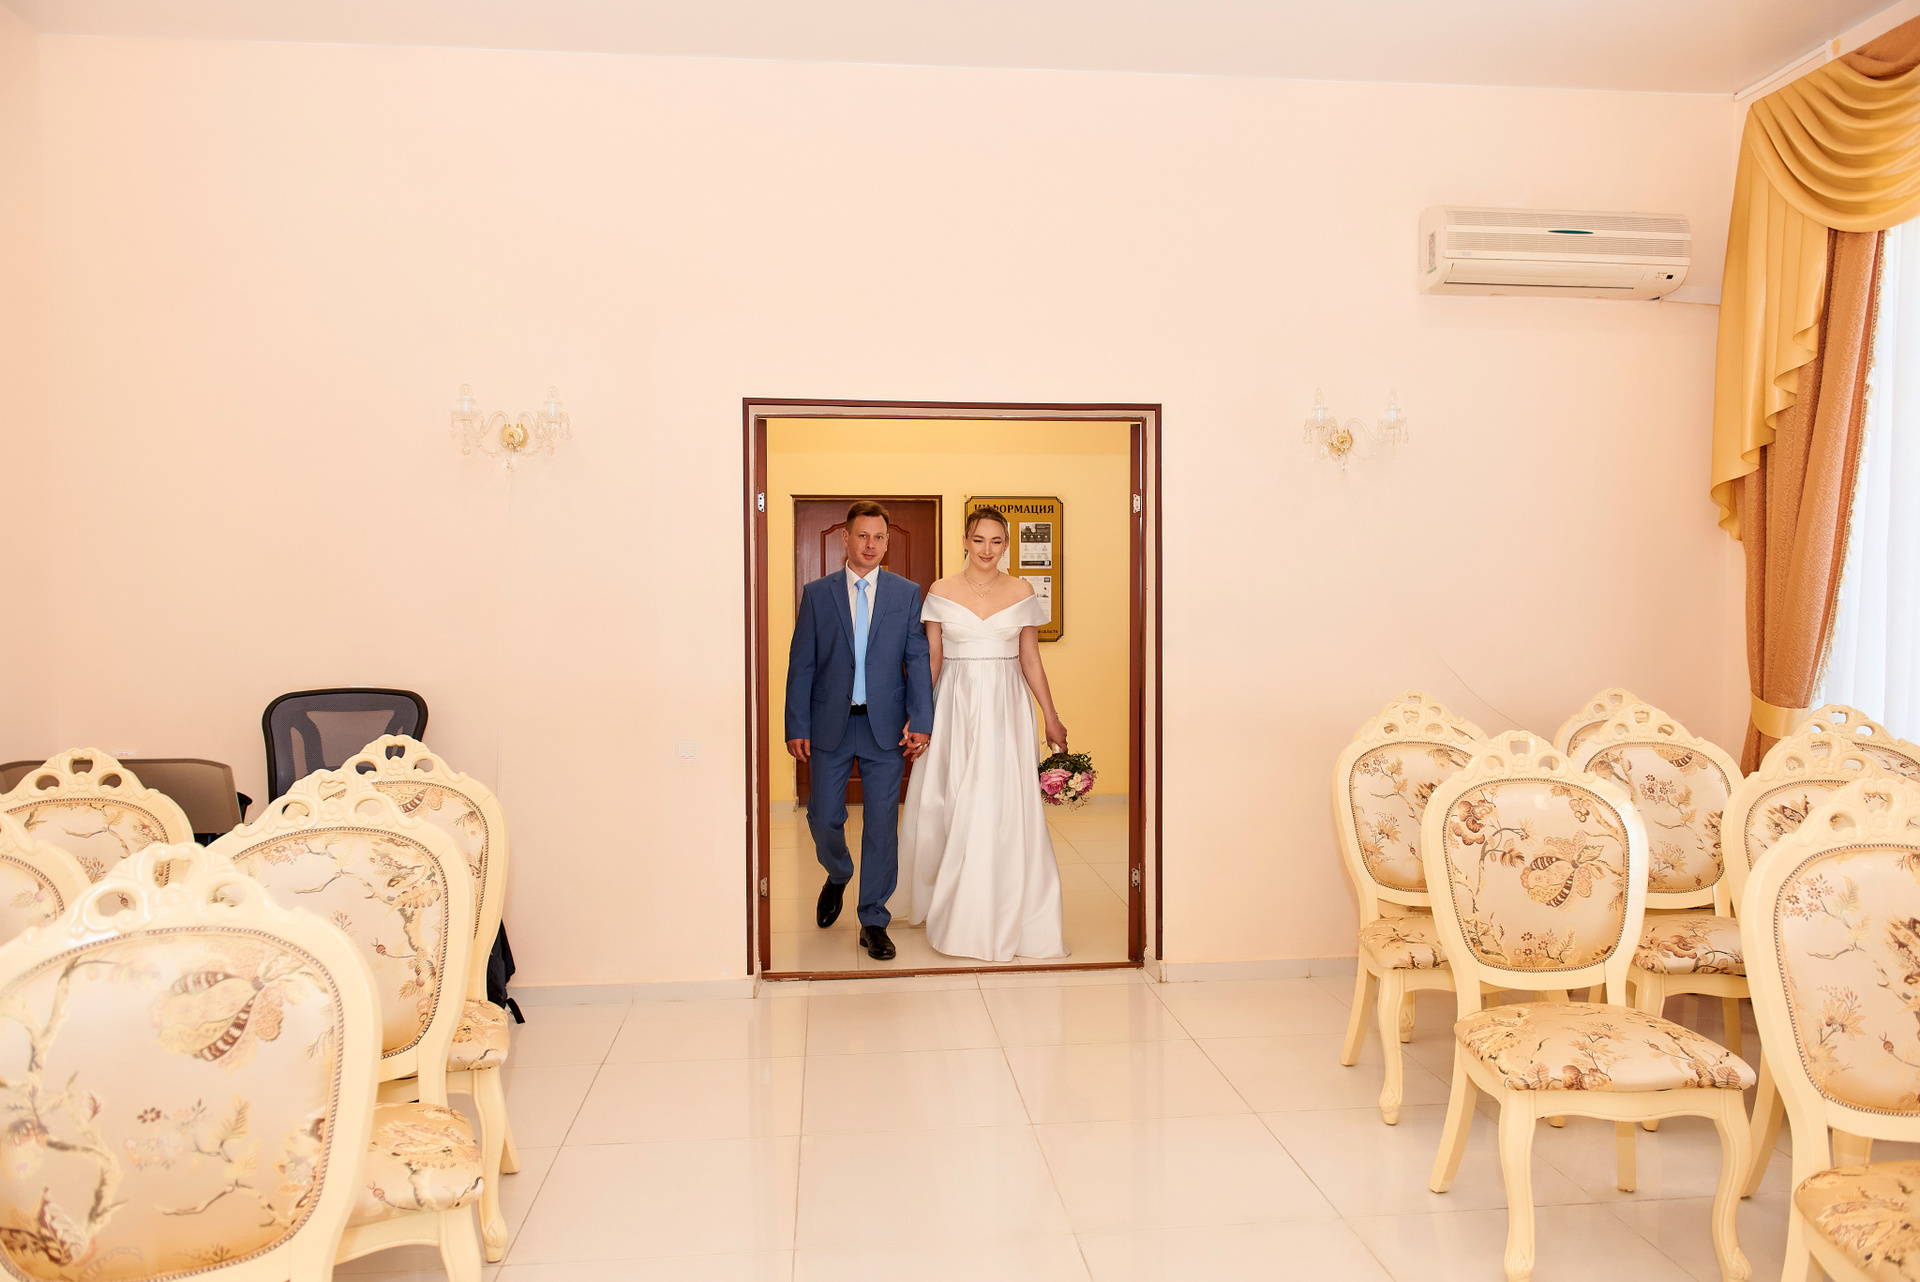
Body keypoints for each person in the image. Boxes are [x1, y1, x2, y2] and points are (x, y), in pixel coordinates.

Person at [889, 506, 1070, 962]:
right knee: (953, 799)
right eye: (979, 539)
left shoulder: (1022, 591)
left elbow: (1030, 658)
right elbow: (932, 659)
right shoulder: (941, 590)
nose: (987, 549)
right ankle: (954, 904)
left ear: (1006, 545)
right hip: (955, 703)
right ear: (965, 541)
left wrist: (1050, 715)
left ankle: (1003, 905)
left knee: (1000, 803)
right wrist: (918, 714)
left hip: (1007, 705)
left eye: (996, 541)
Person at [785, 501, 933, 961]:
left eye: (879, 537)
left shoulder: (907, 593)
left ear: (887, 543)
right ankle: (838, 873)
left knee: (882, 824)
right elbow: (801, 663)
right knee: (823, 816)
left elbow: (917, 659)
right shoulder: (817, 594)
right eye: (862, 536)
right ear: (845, 539)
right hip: (829, 724)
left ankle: (873, 919)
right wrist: (796, 724)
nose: (871, 544)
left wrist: (921, 719)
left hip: (884, 727)